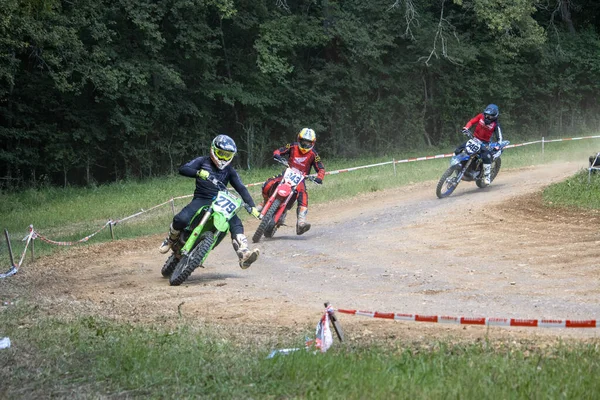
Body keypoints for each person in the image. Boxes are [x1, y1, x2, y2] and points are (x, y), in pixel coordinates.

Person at [158, 134, 261, 269]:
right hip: (202, 198)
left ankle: (244, 254)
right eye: (221, 154)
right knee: (181, 219)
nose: (223, 158)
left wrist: (252, 207)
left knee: (235, 221)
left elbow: (241, 188)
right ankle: (170, 239)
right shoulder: (203, 161)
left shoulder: (229, 170)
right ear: (213, 150)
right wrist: (198, 173)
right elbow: (183, 169)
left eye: (227, 155)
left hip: (220, 201)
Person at [259, 128, 326, 235]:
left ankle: (301, 223)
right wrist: (277, 155)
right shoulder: (292, 146)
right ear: (299, 139)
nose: (305, 144)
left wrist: (319, 178)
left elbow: (321, 168)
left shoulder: (314, 154)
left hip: (300, 179)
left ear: (312, 143)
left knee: (303, 195)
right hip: (287, 173)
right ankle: (264, 203)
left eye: (308, 142)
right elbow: (279, 150)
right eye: (303, 141)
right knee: (268, 184)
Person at [458, 103, 504, 185]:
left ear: (495, 116)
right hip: (474, 139)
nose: (487, 117)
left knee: (487, 157)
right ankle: (458, 165)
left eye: (490, 116)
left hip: (484, 143)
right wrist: (466, 128)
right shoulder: (481, 116)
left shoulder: (496, 125)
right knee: (459, 149)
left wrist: (498, 145)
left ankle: (487, 177)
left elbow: (499, 138)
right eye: (486, 115)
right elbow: (472, 121)